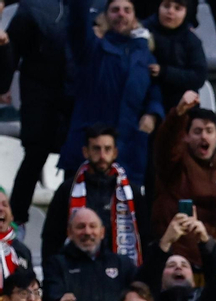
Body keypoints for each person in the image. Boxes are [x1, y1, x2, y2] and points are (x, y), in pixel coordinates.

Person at [61, 0, 162, 190]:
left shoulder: (144, 53)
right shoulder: (91, 49)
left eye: (127, 10)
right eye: (115, 10)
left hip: (129, 146)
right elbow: (76, 23)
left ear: (134, 18)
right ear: (105, 16)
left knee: (126, 214)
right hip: (90, 145)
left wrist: (152, 113)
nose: (121, 14)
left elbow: (154, 90)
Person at [148, 93, 216, 266]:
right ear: (186, 137)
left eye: (209, 131)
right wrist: (178, 114)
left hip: (213, 266)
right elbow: (166, 145)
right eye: (197, 131)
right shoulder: (174, 166)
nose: (204, 136)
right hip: (178, 264)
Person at [6, 0, 74, 221]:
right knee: (35, 155)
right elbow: (12, 45)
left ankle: (72, 222)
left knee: (76, 161)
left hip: (77, 94)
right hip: (40, 94)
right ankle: (16, 222)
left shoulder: (96, 5)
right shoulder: (33, 7)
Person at [44, 125, 143, 265]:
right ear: (86, 152)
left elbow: (144, 236)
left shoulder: (132, 193)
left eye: (107, 149)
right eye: (96, 149)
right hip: (75, 271)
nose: (102, 156)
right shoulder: (67, 190)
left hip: (120, 272)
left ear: (115, 153)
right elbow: (51, 237)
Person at [45, 208, 137, 301]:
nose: (87, 232)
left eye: (92, 226)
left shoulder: (121, 263)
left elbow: (142, 289)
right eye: (81, 227)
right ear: (69, 232)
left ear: (102, 232)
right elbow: (50, 293)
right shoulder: (57, 264)